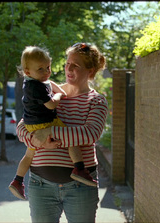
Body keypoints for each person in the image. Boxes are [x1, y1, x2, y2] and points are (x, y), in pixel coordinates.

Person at [16, 42, 108, 223]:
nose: (69, 68)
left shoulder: (96, 101)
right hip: (40, 184)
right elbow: (22, 128)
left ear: (90, 71)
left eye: (76, 65)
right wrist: (38, 141)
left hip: (80, 186)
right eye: (68, 63)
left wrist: (49, 131)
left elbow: (89, 134)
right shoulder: (49, 93)